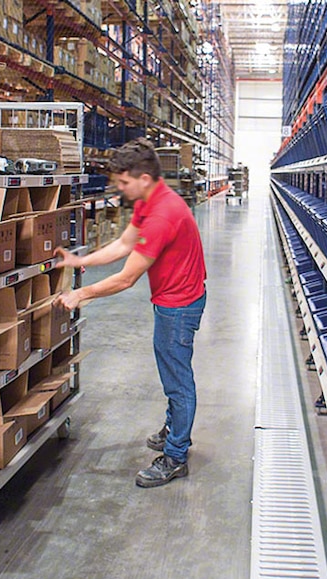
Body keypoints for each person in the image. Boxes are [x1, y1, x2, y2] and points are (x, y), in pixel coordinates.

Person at [54, 138, 207, 488]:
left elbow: (126, 278)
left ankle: (176, 455)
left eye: (123, 183)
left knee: (177, 379)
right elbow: (124, 245)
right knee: (172, 371)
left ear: (144, 178)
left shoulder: (164, 214)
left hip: (179, 305)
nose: (119, 188)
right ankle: (175, 428)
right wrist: (81, 260)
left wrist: (81, 293)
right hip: (173, 298)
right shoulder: (146, 201)